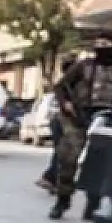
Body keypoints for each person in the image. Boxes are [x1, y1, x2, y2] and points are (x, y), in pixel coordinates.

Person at [50, 31, 112, 220]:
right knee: (68, 158)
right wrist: (66, 104)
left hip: (106, 121)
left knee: (98, 164)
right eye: (98, 44)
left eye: (105, 44)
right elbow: (61, 86)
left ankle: (93, 204)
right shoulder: (83, 66)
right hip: (78, 118)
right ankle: (62, 200)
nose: (101, 48)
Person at [35, 53, 78, 194]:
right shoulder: (71, 84)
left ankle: (52, 180)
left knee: (61, 151)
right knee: (64, 152)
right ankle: (52, 179)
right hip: (64, 121)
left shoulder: (64, 83)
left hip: (57, 120)